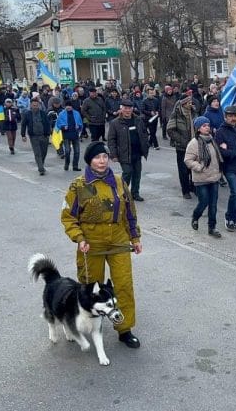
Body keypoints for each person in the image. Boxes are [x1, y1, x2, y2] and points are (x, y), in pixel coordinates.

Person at [60, 141, 143, 348]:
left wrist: (135, 237)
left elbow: (130, 213)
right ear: (90, 161)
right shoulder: (78, 185)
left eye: (105, 156)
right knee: (91, 287)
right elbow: (68, 217)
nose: (102, 160)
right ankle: (86, 324)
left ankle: (124, 329)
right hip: (91, 242)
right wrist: (79, 238)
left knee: (123, 285)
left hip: (118, 239)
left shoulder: (118, 182)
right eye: (97, 157)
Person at [184, 116, 223, 238]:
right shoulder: (194, 143)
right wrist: (199, 167)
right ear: (198, 129)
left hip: (214, 178)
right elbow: (188, 160)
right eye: (204, 126)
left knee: (213, 204)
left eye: (208, 125)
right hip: (201, 179)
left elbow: (217, 158)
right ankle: (195, 217)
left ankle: (212, 228)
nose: (207, 128)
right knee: (204, 202)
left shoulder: (212, 140)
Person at [108, 99, 150, 201]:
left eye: (129, 108)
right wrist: (113, 155)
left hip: (137, 152)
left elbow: (144, 133)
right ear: (121, 109)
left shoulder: (138, 120)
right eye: (125, 108)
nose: (127, 111)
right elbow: (111, 140)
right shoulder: (115, 123)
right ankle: (123, 194)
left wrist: (146, 145)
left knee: (137, 174)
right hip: (124, 154)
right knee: (127, 172)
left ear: (132, 109)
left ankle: (135, 193)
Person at [167, 95, 197, 199]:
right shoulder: (176, 114)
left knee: (193, 168)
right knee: (183, 170)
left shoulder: (194, 112)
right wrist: (181, 140)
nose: (191, 104)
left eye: (191, 102)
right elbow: (170, 129)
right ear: (184, 103)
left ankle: (193, 186)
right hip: (182, 147)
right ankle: (185, 191)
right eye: (189, 102)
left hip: (194, 146)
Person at [21, 98, 52, 175]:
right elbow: (23, 124)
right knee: (37, 153)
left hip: (44, 136)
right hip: (34, 137)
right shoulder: (27, 114)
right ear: (31, 105)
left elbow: (47, 124)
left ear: (39, 105)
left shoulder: (43, 113)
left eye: (36, 105)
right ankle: (41, 168)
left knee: (44, 152)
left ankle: (41, 163)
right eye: (34, 105)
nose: (35, 107)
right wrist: (23, 135)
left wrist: (48, 133)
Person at [56, 101, 84, 171]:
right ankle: (67, 164)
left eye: (69, 106)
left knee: (77, 151)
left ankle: (75, 166)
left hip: (75, 135)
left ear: (72, 107)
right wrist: (63, 127)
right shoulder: (61, 114)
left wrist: (79, 127)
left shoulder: (77, 113)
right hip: (66, 135)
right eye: (67, 106)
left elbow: (81, 124)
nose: (68, 107)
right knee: (67, 151)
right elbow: (58, 124)